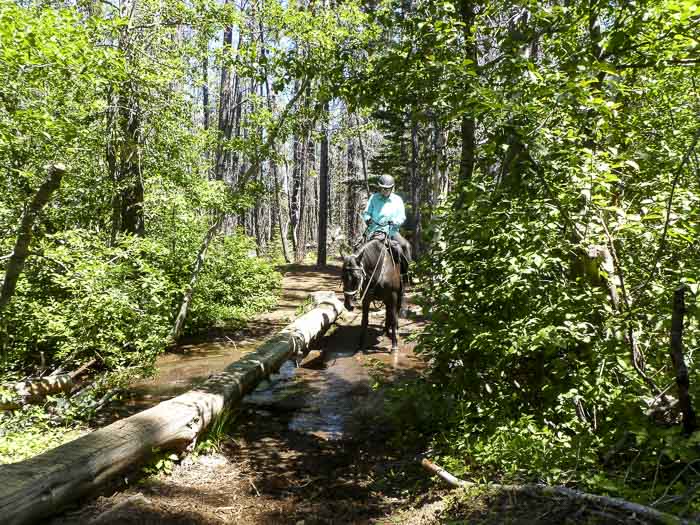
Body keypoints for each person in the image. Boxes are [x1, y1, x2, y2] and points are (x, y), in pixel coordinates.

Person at [362, 174, 412, 273]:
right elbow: (366, 213)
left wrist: (395, 222)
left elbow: (402, 216)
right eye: (383, 188)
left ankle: (407, 274)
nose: (385, 190)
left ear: (392, 188)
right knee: (359, 249)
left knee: (405, 246)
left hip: (392, 232)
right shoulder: (373, 198)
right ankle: (359, 277)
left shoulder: (397, 200)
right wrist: (368, 219)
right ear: (379, 187)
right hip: (374, 231)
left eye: (387, 189)